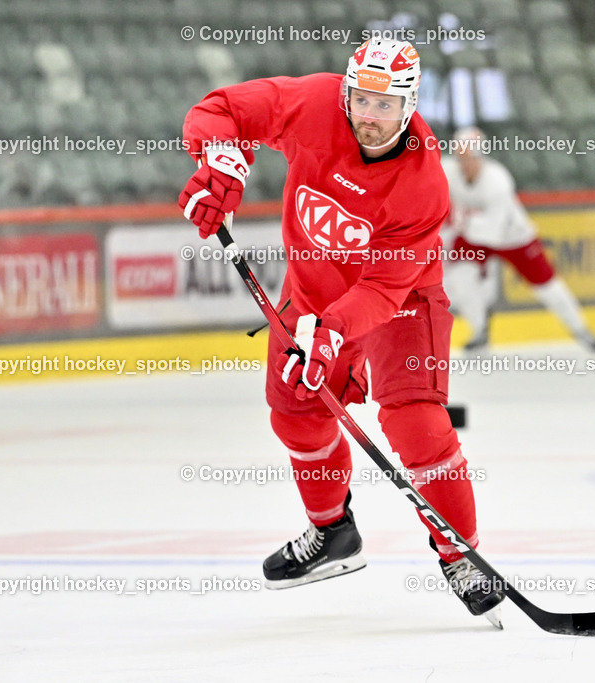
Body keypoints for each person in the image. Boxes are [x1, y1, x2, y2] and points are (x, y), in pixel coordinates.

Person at [177, 38, 504, 625]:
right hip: (312, 287)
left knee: (415, 421)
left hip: (401, 297)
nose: (369, 118)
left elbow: (381, 291)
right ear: (347, 91)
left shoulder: (424, 182)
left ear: (410, 105)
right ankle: (332, 533)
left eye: (386, 105)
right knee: (294, 408)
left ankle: (461, 553)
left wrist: (332, 333)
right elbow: (218, 109)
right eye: (361, 101)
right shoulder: (315, 102)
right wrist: (220, 161)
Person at [441, 126, 595, 351]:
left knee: (547, 285)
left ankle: (580, 329)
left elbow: (492, 233)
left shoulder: (497, 182)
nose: (464, 163)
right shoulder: (446, 169)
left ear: (481, 156)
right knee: (457, 277)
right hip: (473, 234)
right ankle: (480, 330)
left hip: (512, 237)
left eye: (470, 157)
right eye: (460, 156)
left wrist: (460, 222)